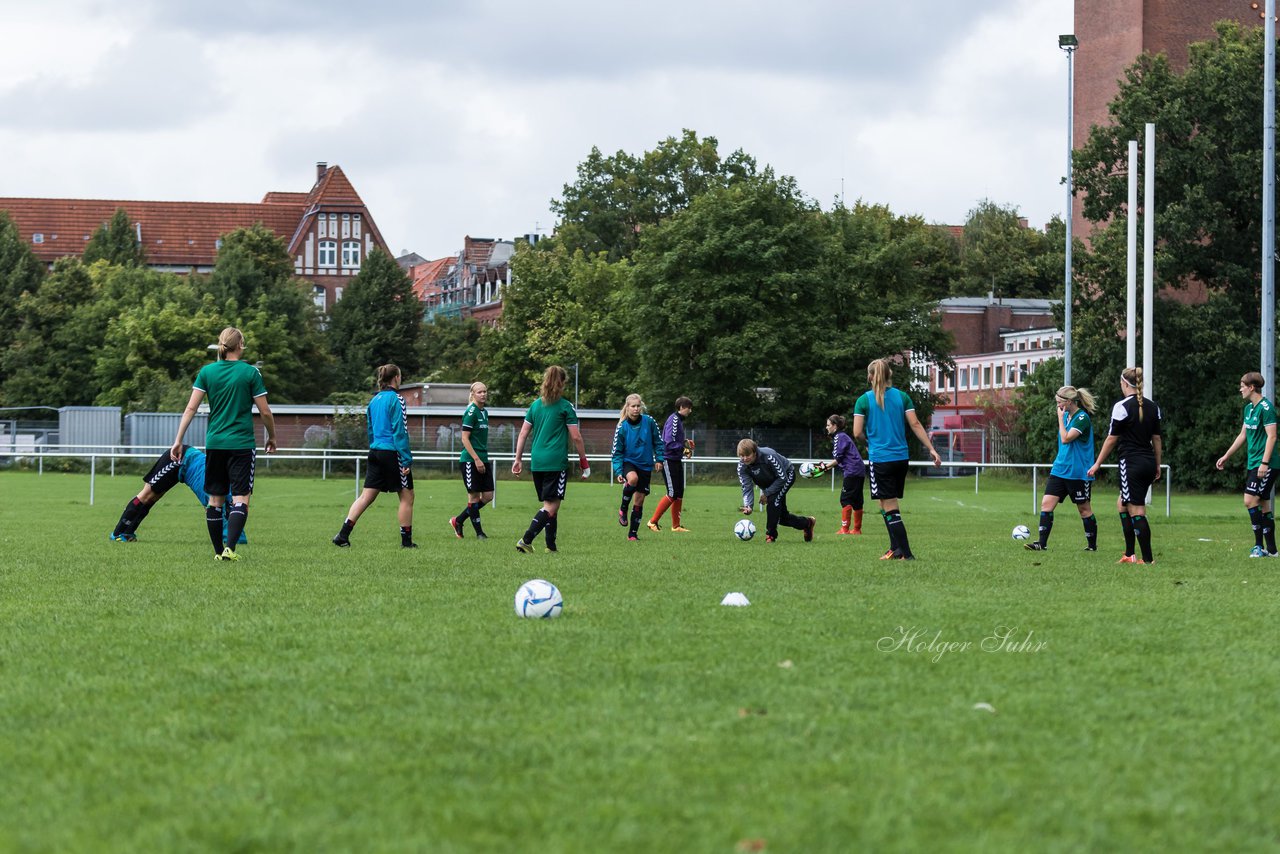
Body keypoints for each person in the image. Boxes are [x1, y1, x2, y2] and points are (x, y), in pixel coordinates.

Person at [171, 326, 276, 561]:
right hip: (241, 444)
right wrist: (272, 436)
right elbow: (265, 412)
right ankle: (230, 549)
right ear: (240, 345)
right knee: (241, 498)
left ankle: (218, 552)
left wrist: (178, 440)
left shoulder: (207, 372)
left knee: (215, 499)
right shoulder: (250, 373)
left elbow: (190, 408)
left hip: (215, 443)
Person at [851, 358, 942, 560]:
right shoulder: (902, 397)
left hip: (881, 459)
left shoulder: (863, 400)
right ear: (889, 375)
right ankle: (895, 548)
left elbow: (857, 432)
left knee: (889, 506)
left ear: (870, 376)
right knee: (885, 504)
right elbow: (916, 424)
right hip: (901, 458)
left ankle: (906, 554)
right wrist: (932, 449)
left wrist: (869, 442)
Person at [332, 364, 417, 549]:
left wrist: (374, 448)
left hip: (375, 451)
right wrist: (406, 459)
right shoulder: (397, 399)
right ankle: (406, 543)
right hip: (392, 452)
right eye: (400, 376)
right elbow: (399, 431)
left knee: (366, 496)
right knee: (407, 496)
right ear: (396, 378)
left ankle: (342, 535)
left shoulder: (374, 400)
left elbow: (370, 430)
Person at [1088, 367, 1163, 565]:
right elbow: (1156, 439)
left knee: (1137, 510)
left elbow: (1112, 439)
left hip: (1131, 463)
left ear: (1124, 384)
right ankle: (1129, 554)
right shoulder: (1153, 406)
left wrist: (1097, 464)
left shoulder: (1121, 406)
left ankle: (1147, 560)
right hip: (1147, 462)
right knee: (1122, 504)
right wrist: (1157, 464)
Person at [512, 366, 589, 553]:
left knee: (551, 505)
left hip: (537, 461)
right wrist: (583, 462)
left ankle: (551, 547)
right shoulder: (565, 406)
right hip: (556, 461)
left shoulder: (535, 405)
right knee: (551, 505)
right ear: (562, 383)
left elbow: (523, 433)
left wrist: (518, 459)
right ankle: (526, 539)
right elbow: (576, 437)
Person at [109, 445, 247, 544]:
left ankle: (126, 533)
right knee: (147, 496)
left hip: (189, 464)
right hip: (179, 458)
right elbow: (214, 510)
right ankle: (118, 533)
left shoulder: (230, 490)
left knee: (153, 498)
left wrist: (238, 539)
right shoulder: (218, 487)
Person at [1025, 386, 1099, 552]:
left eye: (1060, 403)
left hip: (1078, 472)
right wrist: (1062, 417)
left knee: (1084, 509)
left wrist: (1060, 418)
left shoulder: (1082, 418)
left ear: (1069, 401)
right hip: (1060, 469)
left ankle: (1092, 547)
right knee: (1046, 504)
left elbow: (1066, 439)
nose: (1058, 406)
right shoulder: (1066, 415)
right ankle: (1041, 544)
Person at [1215, 371, 1277, 557]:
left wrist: (1264, 463)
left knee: (1249, 500)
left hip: (1267, 463)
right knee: (1264, 504)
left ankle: (1258, 547)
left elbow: (1272, 436)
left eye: (1242, 385)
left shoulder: (1266, 408)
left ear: (1251, 387)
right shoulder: (1249, 408)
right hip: (1254, 463)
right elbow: (1243, 435)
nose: (1240, 389)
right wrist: (1226, 455)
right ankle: (1272, 550)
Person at [736, 439, 815, 543]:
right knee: (781, 517)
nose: (745, 458)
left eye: (747, 455)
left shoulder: (769, 456)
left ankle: (771, 535)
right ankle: (807, 523)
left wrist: (767, 493)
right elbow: (746, 487)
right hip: (770, 483)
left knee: (773, 501)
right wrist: (748, 506)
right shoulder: (742, 467)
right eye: (742, 456)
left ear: (754, 452)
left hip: (786, 475)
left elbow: (782, 478)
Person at [611, 393, 663, 541]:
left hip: (645, 464)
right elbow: (616, 452)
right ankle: (623, 507)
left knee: (639, 500)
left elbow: (658, 442)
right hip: (629, 462)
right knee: (632, 479)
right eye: (633, 406)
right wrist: (619, 471)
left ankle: (632, 534)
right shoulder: (622, 426)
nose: (636, 409)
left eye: (638, 406)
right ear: (627, 408)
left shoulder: (649, 421)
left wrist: (659, 459)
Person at [449, 381, 492, 540]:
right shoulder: (471, 412)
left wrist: (482, 459)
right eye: (479, 392)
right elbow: (464, 438)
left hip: (483, 458)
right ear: (472, 394)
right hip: (470, 460)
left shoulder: (484, 412)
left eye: (485, 391)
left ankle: (458, 520)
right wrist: (476, 459)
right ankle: (480, 533)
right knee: (473, 497)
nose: (483, 394)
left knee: (488, 496)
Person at [648, 396, 695, 533]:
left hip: (675, 459)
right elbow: (669, 441)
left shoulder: (678, 420)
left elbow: (675, 439)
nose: (690, 411)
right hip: (668, 459)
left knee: (679, 492)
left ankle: (676, 526)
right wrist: (684, 449)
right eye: (689, 408)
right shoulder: (675, 420)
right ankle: (652, 522)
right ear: (681, 407)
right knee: (673, 492)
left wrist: (685, 441)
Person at [814, 414, 866, 535]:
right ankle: (857, 530)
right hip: (859, 470)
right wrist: (825, 468)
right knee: (857, 500)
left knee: (845, 499)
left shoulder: (839, 437)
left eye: (828, 425)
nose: (826, 428)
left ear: (835, 426)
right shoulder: (843, 436)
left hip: (852, 471)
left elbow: (838, 459)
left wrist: (823, 468)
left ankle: (845, 529)